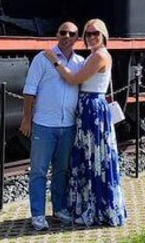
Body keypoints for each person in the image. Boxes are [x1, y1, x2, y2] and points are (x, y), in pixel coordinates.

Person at [45, 18, 127, 227]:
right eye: (88, 34)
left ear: (103, 35)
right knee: (93, 157)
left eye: (95, 33)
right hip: (90, 108)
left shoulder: (99, 55)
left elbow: (73, 79)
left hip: (92, 109)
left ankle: (94, 207)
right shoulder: (95, 55)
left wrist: (55, 60)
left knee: (92, 158)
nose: (91, 37)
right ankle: (95, 204)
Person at [20, 21, 84, 231]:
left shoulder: (80, 62)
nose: (66, 36)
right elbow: (30, 89)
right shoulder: (42, 58)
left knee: (62, 170)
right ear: (57, 34)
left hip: (68, 125)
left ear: (77, 38)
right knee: (38, 171)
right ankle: (38, 214)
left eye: (71, 33)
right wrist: (27, 118)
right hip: (44, 124)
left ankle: (59, 209)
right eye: (62, 32)